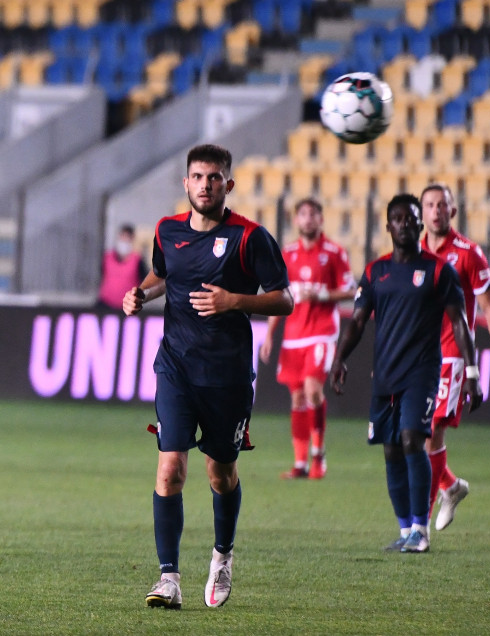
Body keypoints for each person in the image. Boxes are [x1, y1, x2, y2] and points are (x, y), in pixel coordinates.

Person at [122, 144, 292, 610]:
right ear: (186, 183)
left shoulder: (250, 237)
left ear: (228, 185)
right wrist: (139, 294)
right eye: (197, 177)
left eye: (214, 178)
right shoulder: (167, 230)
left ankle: (222, 555)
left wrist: (234, 301)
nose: (205, 185)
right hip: (175, 368)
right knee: (170, 467)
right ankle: (168, 578)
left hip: (228, 376)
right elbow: (163, 276)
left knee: (220, 474)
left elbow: (284, 299)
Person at [330, 193, 482, 555]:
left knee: (414, 438)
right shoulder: (375, 272)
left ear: (419, 224)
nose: (404, 224)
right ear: (388, 227)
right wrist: (339, 359)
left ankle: (420, 529)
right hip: (385, 374)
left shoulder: (438, 270)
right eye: (397, 219)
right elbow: (356, 323)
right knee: (391, 450)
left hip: (423, 373)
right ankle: (404, 530)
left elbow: (460, 324)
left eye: (410, 218)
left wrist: (473, 373)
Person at [420, 183, 490, 530]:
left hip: (452, 354)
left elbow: (488, 310)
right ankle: (450, 487)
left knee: (434, 429)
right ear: (422, 212)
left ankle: (417, 524)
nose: (436, 211)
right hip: (418, 355)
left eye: (442, 205)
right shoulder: (413, 251)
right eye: (430, 205)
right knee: (417, 436)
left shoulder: (469, 253)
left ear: (452, 211)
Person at [259, 198, 355, 480]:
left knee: (313, 389)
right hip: (294, 335)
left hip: (322, 331)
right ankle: (300, 463)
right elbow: (280, 297)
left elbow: (351, 291)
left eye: (313, 214)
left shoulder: (334, 252)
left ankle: (318, 454)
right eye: (303, 214)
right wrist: (269, 335)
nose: (308, 219)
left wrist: (323, 295)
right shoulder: (287, 254)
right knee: (297, 397)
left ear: (321, 220)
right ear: (296, 220)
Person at [97, 223, 148, 311]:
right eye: (122, 237)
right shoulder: (107, 257)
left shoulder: (137, 260)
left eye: (127, 237)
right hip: (105, 304)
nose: (124, 240)